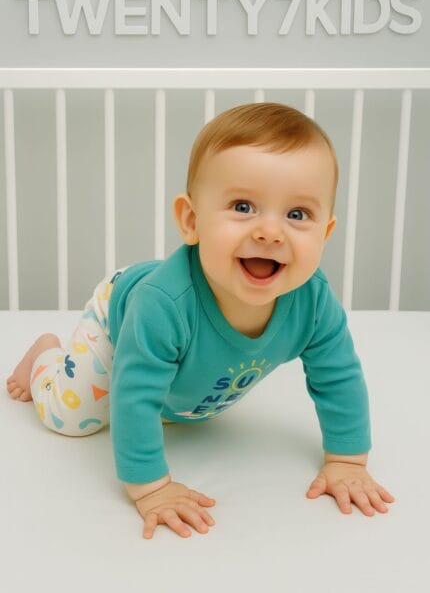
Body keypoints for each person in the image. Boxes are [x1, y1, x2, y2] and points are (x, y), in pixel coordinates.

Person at [6, 102, 396, 539]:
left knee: (183, 409)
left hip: (176, 337)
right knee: (72, 417)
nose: (270, 232)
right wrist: (151, 488)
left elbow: (338, 376)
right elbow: (135, 395)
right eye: (243, 206)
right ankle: (44, 358)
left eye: (297, 214)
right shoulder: (162, 306)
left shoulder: (314, 302)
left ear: (325, 233)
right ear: (191, 221)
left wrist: (347, 460)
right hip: (122, 313)